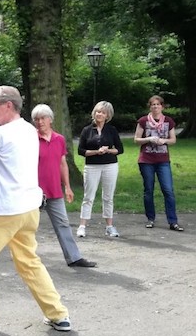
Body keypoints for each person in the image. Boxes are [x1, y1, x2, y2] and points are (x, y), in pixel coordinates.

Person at [0, 86, 70, 333]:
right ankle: (58, 314)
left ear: (8, 105)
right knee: (30, 262)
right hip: (29, 209)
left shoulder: (0, 133)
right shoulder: (29, 130)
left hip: (4, 211)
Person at [31, 105, 96, 268]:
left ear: (50, 119)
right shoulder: (30, 139)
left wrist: (67, 186)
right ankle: (25, 259)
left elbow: (62, 164)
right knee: (26, 226)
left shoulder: (59, 139)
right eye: (36, 119)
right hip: (33, 191)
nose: (40, 122)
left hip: (54, 189)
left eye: (43, 118)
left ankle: (74, 258)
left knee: (63, 223)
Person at [76, 101, 124, 238]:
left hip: (110, 165)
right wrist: (96, 152)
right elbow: (81, 150)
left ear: (107, 115)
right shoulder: (87, 130)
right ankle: (82, 226)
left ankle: (109, 226)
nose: (99, 114)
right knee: (88, 196)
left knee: (108, 196)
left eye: (102, 112)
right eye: (97, 111)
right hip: (92, 166)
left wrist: (108, 150)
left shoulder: (112, 130)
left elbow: (120, 149)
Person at [134, 95, 180, 231]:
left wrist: (164, 141)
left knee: (168, 190)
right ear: (150, 107)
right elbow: (136, 139)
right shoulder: (143, 121)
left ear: (162, 106)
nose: (155, 107)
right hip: (146, 160)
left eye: (158, 104)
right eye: (153, 105)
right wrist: (148, 139)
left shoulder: (168, 121)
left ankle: (173, 221)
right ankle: (150, 218)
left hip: (163, 160)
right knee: (148, 190)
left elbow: (173, 140)